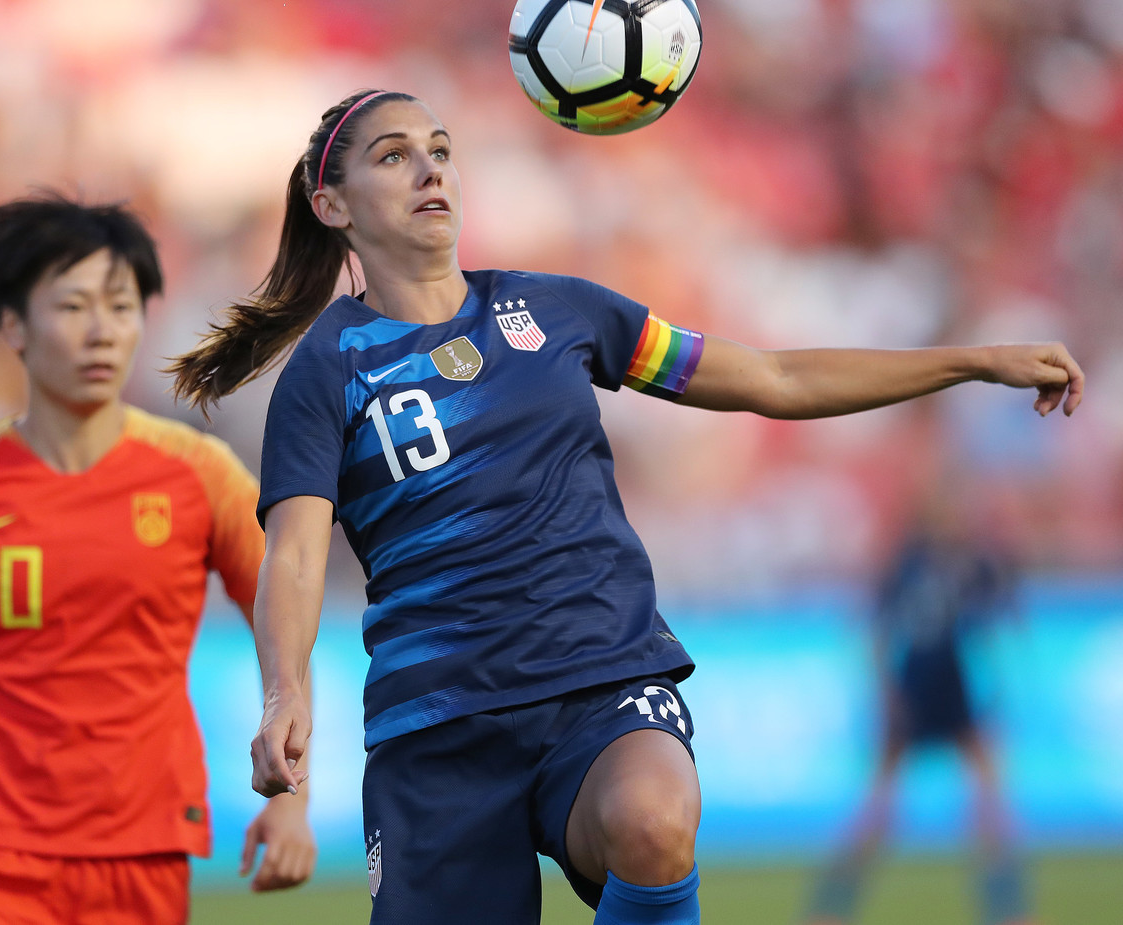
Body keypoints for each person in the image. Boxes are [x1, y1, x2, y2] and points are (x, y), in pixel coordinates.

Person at [169, 89, 1083, 925]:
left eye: (441, 148)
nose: (431, 168)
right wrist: (287, 693)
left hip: (598, 679)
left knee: (650, 819)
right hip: (438, 724)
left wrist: (971, 360)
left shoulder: (557, 310)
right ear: (333, 206)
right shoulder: (328, 371)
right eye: (394, 155)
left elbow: (771, 375)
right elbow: (293, 554)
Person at [0, 193, 316, 924]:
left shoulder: (198, 475)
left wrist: (293, 800)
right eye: (73, 306)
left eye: (121, 304)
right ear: (13, 324)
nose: (102, 330)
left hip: (141, 854)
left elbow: (286, 621)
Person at [803, 489, 1036, 925]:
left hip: (940, 685)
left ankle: (829, 908)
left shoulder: (924, 565)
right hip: (928, 686)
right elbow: (1002, 614)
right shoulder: (932, 564)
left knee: (982, 805)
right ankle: (1011, 910)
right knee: (897, 809)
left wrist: (887, 690)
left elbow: (997, 611)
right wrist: (888, 694)